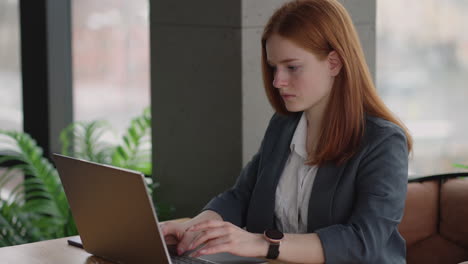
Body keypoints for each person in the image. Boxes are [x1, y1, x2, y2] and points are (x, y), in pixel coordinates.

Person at [161, 0, 412, 263]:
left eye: (292, 67)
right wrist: (195, 229)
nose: (277, 81)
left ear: (334, 63)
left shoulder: (383, 142)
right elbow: (243, 196)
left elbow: (362, 241)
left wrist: (262, 244)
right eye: (273, 67)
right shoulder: (284, 125)